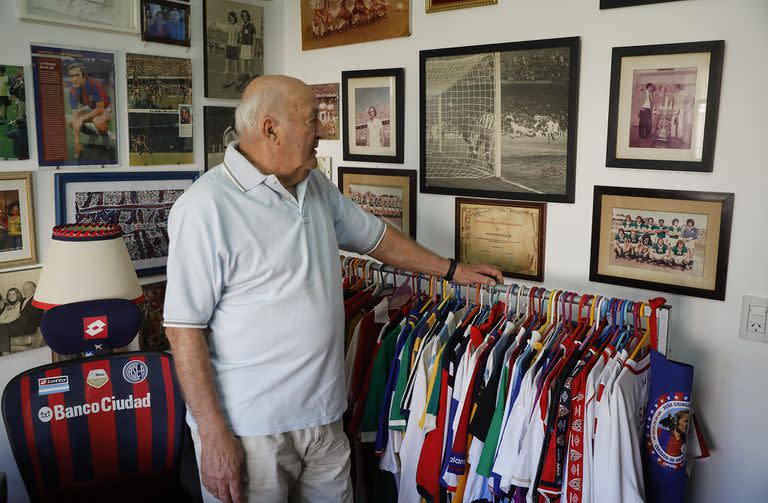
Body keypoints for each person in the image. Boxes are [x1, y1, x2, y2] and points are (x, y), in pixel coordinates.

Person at [162, 75, 502, 503]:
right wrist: (212, 437)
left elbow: (378, 239)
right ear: (271, 129)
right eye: (312, 120)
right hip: (252, 435)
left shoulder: (314, 186)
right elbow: (183, 330)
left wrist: (451, 271)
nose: (322, 131)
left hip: (324, 421)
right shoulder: (205, 207)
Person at [66, 62, 113, 159]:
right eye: (71, 76)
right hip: (90, 107)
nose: (74, 79)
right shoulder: (73, 91)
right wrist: (77, 142)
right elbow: (75, 118)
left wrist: (82, 118)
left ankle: (105, 140)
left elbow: (100, 109)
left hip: (105, 107)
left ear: (83, 75)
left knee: (98, 121)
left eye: (77, 75)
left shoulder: (94, 84)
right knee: (70, 121)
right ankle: (93, 135)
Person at [0, 281, 43, 354]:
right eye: (24, 289)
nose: (25, 291)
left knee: (4, 327)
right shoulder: (23, 300)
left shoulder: (36, 299)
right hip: (19, 325)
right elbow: (13, 305)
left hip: (27, 326)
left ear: (34, 289)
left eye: (28, 289)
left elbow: (29, 316)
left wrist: (14, 320)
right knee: (3, 327)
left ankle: (6, 355)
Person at [236, 10, 258, 91]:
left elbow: (254, 39)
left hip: (249, 48)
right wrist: (240, 44)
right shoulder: (242, 26)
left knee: (249, 70)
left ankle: (252, 87)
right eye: (242, 16)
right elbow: (241, 38)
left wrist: (253, 50)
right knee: (242, 70)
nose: (243, 17)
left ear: (248, 16)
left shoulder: (252, 26)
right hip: (243, 48)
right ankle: (242, 86)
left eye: (245, 16)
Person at [222, 11, 240, 89]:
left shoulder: (238, 26)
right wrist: (225, 49)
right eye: (229, 18)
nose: (231, 19)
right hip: (229, 47)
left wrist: (238, 48)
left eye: (232, 17)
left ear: (234, 18)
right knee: (227, 67)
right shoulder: (228, 26)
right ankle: (227, 82)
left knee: (236, 67)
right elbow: (226, 38)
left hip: (234, 48)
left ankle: (236, 83)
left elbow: (239, 38)